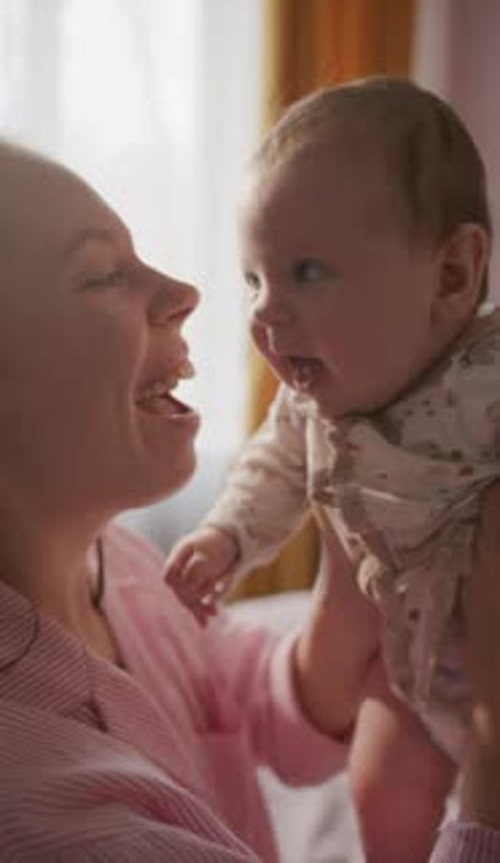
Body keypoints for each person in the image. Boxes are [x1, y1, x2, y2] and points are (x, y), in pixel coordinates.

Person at [0, 137, 382, 862]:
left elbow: (231, 689)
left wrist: (347, 548)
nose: (185, 293)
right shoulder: (36, 810)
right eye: (101, 276)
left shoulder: (116, 560)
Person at [165, 76, 500, 861]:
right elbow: (273, 468)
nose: (264, 312)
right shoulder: (315, 404)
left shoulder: (485, 379)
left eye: (307, 272)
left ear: (452, 277)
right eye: (254, 277)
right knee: (377, 779)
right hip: (404, 671)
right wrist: (226, 537)